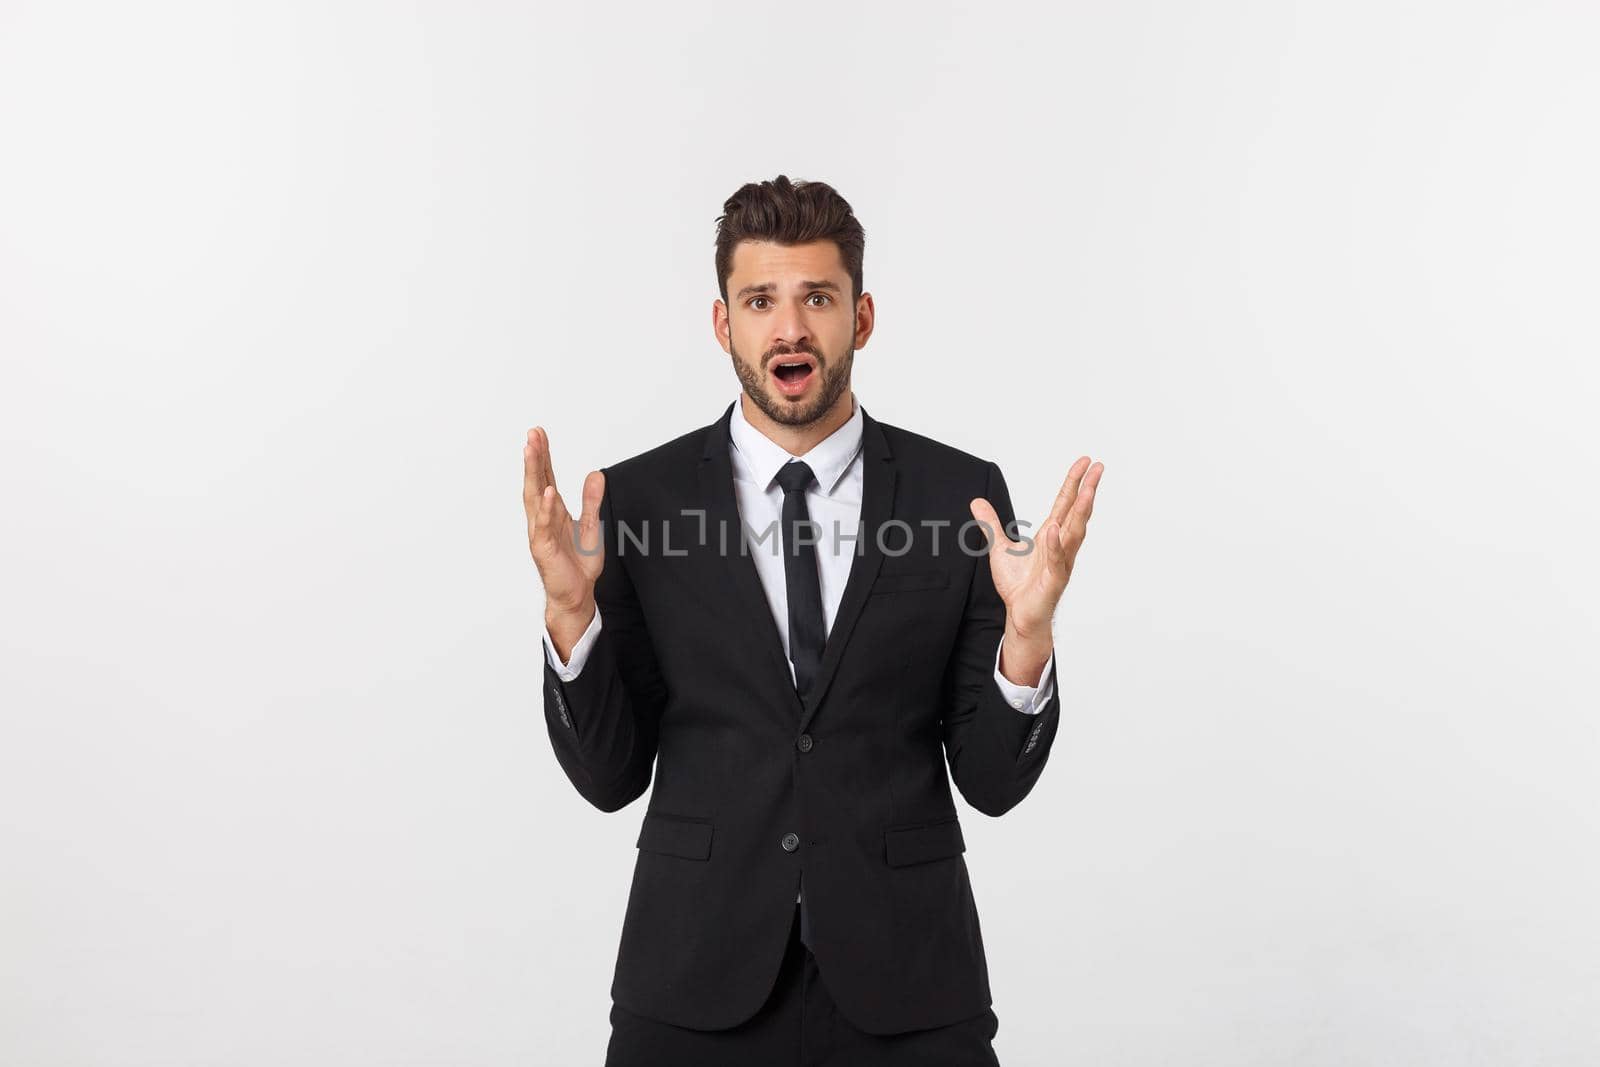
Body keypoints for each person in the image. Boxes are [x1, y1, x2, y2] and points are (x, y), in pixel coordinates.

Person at [522, 174, 1103, 1066]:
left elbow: (991, 781)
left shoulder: (962, 497)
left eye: (817, 298)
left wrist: (1026, 639)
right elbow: (609, 775)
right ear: (724, 324)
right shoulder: (636, 501)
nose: (789, 328)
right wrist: (571, 614)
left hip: (912, 987)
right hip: (691, 983)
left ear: (860, 319)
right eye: (760, 300)